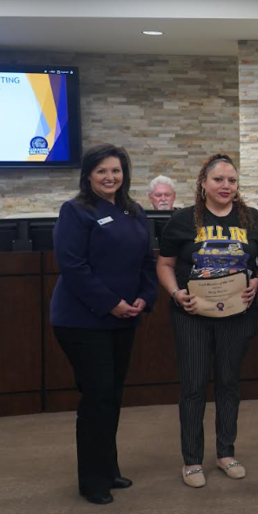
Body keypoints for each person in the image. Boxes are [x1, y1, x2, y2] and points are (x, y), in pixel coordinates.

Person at [50, 144, 157, 505]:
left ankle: (108, 468)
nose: (110, 177)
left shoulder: (134, 211)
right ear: (88, 176)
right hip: (82, 321)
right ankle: (92, 481)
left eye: (116, 171)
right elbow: (73, 267)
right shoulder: (75, 211)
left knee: (111, 396)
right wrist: (111, 304)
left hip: (124, 317)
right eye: (102, 172)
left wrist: (145, 297)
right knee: (97, 397)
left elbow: (147, 261)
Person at [156, 154, 258, 487]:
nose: (225, 186)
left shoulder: (253, 220)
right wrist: (176, 293)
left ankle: (225, 453)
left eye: (232, 181)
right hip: (192, 315)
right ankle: (191, 460)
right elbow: (164, 264)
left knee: (229, 384)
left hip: (237, 314)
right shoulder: (181, 221)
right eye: (218, 180)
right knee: (193, 387)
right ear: (203, 183)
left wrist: (257, 281)